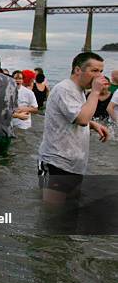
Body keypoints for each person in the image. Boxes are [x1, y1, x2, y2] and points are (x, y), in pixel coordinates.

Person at [38, 52, 109, 205]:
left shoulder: (80, 90)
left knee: (67, 214)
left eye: (101, 71)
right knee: (51, 213)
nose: (99, 76)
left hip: (75, 163)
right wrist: (96, 92)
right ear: (78, 70)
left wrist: (94, 124)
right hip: (56, 162)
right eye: (94, 71)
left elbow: (74, 116)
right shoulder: (64, 89)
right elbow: (82, 119)